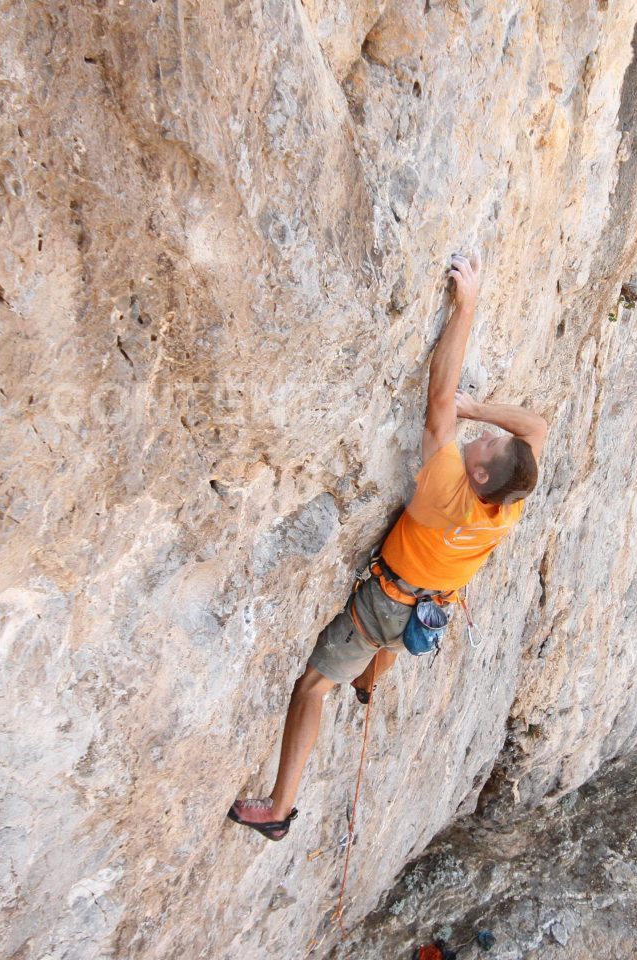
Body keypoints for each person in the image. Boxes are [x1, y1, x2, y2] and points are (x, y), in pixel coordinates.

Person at [228, 253, 549, 841]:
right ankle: (370, 679)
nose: (479, 436)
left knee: (311, 686)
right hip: (433, 606)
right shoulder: (509, 500)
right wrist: (479, 412)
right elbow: (536, 430)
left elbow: (440, 396)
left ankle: (278, 810)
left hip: (389, 604)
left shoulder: (446, 487)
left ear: (477, 476)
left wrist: (467, 307)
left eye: (483, 445)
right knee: (386, 647)